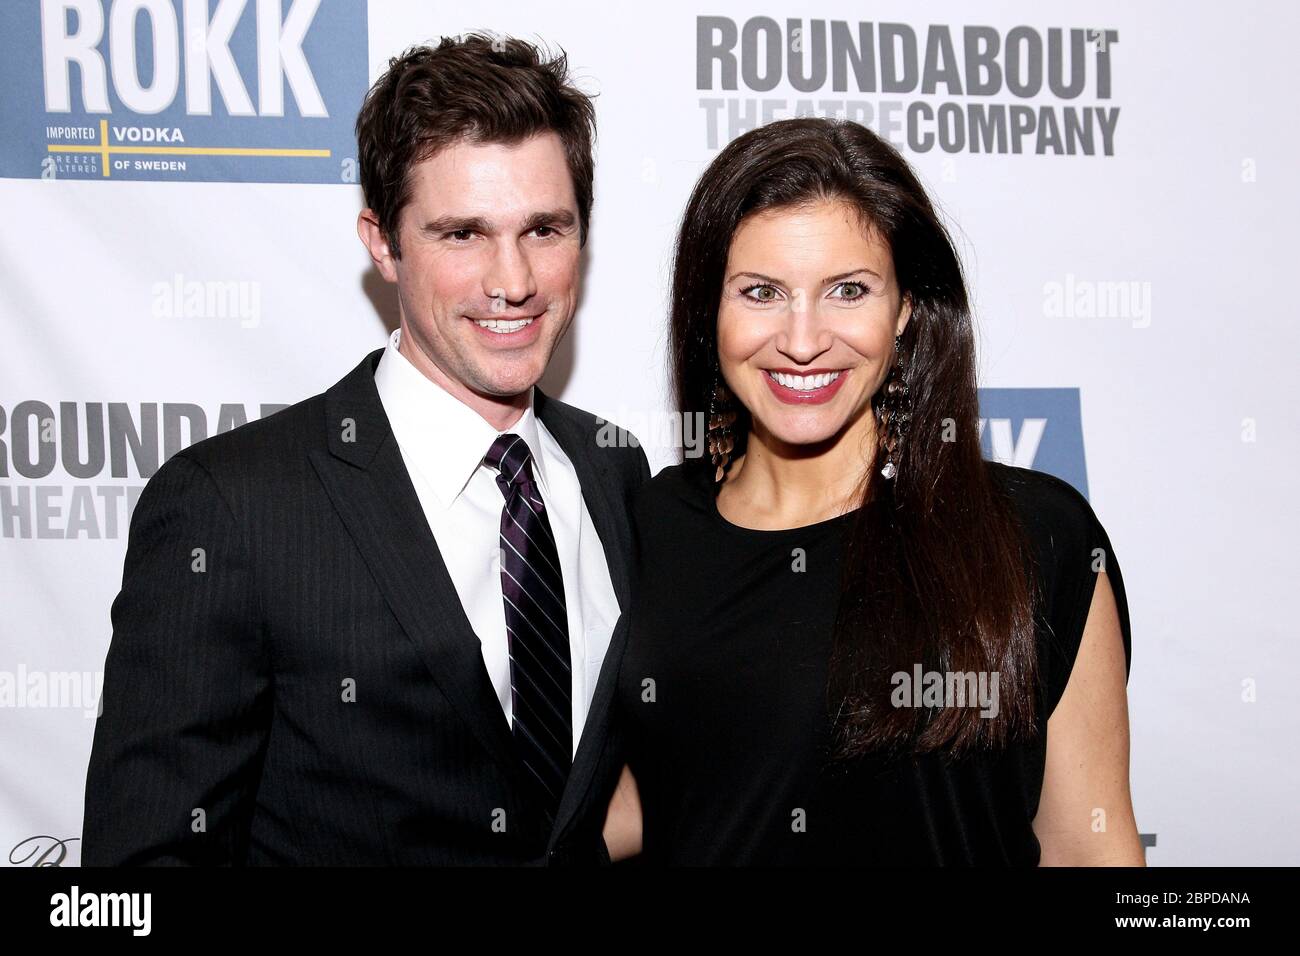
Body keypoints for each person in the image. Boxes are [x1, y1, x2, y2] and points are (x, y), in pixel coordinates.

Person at [82, 34, 647, 866]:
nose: (514, 279)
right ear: (382, 242)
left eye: (545, 229)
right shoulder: (232, 504)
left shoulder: (614, 470)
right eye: (462, 234)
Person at [602, 117, 1142, 865]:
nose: (802, 338)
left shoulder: (1036, 535)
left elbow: (1091, 849)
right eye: (761, 291)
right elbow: (648, 798)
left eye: (848, 291)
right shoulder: (648, 524)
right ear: (709, 310)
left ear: (907, 310)